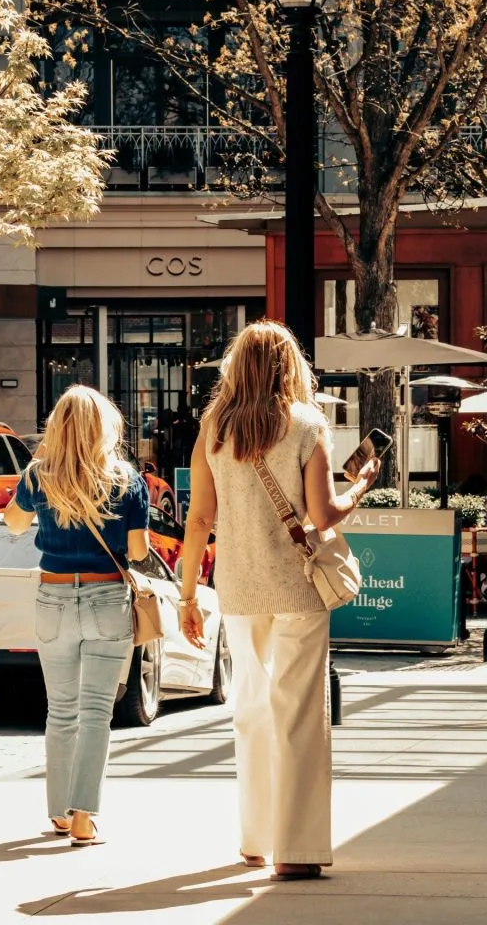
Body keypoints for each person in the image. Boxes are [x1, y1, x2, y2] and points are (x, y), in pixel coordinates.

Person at [177, 320, 380, 882]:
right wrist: (362, 484)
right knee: (298, 716)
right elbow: (323, 516)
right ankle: (295, 848)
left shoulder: (214, 425)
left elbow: (199, 519)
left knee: (252, 709)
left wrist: (188, 596)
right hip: (296, 588)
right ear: (289, 368)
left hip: (240, 589)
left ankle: (255, 839)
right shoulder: (307, 424)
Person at [3, 385, 150, 847]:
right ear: (104, 427)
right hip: (107, 597)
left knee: (60, 710)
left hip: (54, 597)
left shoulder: (38, 476)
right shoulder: (127, 478)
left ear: (56, 428)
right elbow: (139, 551)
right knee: (95, 713)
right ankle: (84, 816)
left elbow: (12, 523)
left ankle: (58, 813)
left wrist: (44, 462)